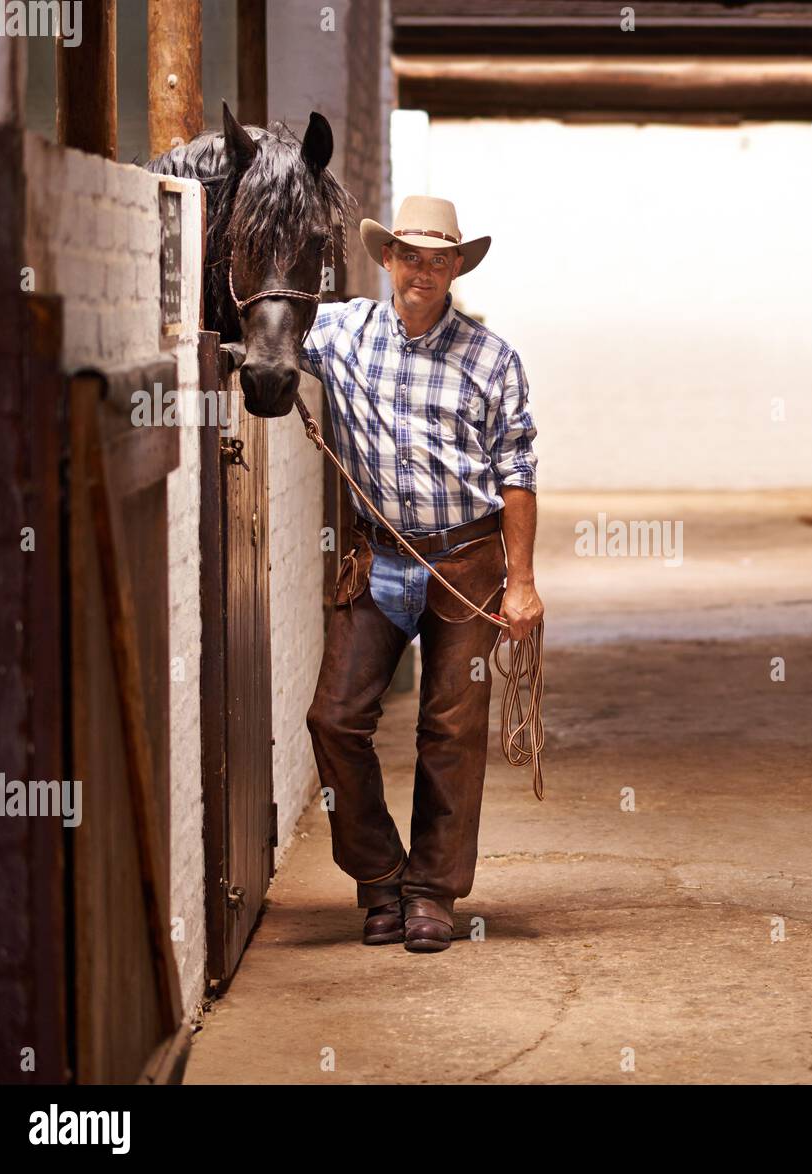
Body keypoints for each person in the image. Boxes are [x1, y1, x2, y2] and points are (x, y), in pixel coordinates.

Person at [300, 194, 541, 953]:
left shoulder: (492, 359)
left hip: (467, 561)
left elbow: (518, 470)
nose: (423, 271)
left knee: (452, 727)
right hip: (376, 556)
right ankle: (380, 881)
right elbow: (266, 327)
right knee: (334, 718)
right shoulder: (340, 333)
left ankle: (432, 892)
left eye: (440, 259)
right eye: (411, 256)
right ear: (388, 259)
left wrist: (523, 581)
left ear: (456, 267)